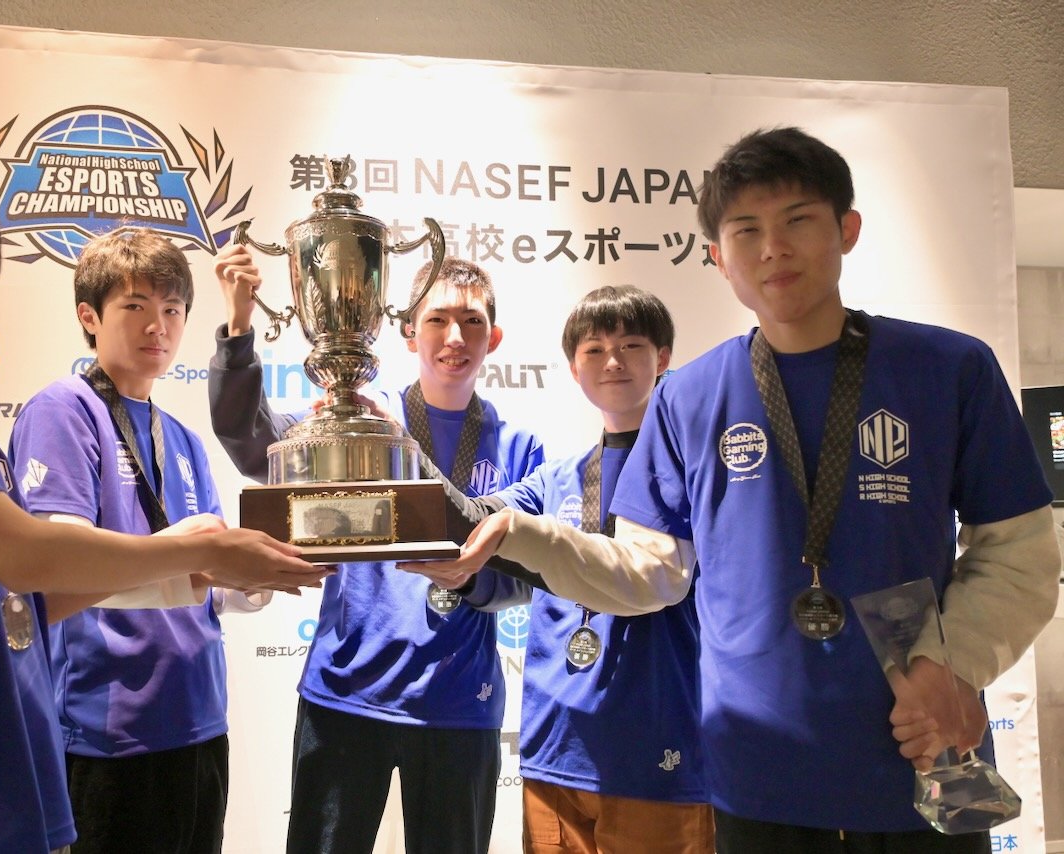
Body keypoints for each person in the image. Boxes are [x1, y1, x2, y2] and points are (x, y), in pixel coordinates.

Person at [410, 127, 1061, 853]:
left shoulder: (947, 369)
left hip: (919, 750)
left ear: (847, 229)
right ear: (718, 258)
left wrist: (954, 663)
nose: (772, 248)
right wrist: (520, 535)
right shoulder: (689, 396)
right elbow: (649, 572)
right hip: (756, 778)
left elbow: (1020, 553)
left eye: (797, 220)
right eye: (745, 230)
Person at [0, 135, 327, 853]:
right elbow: (28, 556)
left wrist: (204, 570)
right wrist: (201, 551)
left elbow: (23, 602)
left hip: (9, 779)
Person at [209, 248, 544, 854]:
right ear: (410, 330)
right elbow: (256, 444)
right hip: (346, 690)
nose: (454, 337)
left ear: (493, 338)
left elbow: (525, 578)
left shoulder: (519, 447)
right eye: (438, 319)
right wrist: (237, 331)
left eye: (471, 322)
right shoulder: (364, 418)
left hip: (458, 701)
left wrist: (469, 575)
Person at [407, 285, 713, 854]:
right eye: (594, 349)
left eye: (631, 345)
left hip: (657, 746)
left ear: (664, 358)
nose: (612, 361)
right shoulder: (558, 478)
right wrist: (397, 444)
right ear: (574, 368)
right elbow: (468, 519)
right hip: (556, 745)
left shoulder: (695, 471)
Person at [8, 227, 267, 853]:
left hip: (199, 718)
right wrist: (200, 555)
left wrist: (253, 581)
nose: (159, 326)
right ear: (89, 317)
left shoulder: (183, 438)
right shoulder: (63, 410)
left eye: (173, 309)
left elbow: (203, 579)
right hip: (107, 729)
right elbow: (59, 570)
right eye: (135, 306)